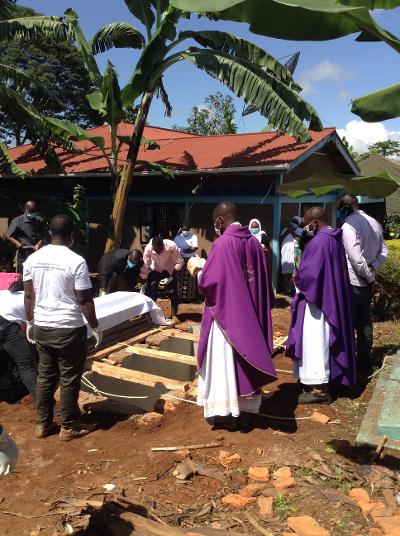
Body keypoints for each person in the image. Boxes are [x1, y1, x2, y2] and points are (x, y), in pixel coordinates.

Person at [197, 202, 276, 430]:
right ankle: (246, 408)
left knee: (224, 361)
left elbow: (210, 282)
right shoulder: (253, 242)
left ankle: (226, 413)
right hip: (249, 314)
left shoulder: (222, 244)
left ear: (220, 220)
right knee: (243, 360)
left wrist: (197, 270)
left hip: (227, 317)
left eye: (215, 222)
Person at [23, 214, 103, 441]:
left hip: (42, 326)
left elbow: (29, 295)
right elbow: (85, 300)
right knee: (68, 377)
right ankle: (68, 426)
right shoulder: (75, 261)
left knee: (46, 376)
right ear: (71, 236)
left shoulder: (33, 259)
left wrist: (30, 322)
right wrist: (95, 327)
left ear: (50, 233)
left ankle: (43, 424)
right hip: (68, 329)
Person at [286, 207, 357, 404]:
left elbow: (310, 275)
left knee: (315, 341)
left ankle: (318, 388)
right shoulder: (334, 239)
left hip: (317, 303)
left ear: (315, 222)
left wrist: (297, 277)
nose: (306, 228)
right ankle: (324, 381)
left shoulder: (319, 242)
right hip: (329, 299)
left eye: (307, 223)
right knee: (324, 340)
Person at [337, 194, 388, 376]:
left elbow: (356, 260)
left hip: (353, 282)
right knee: (365, 324)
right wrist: (373, 267)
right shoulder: (374, 222)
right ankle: (364, 362)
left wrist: (369, 276)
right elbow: (384, 251)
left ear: (345, 208)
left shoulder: (348, 226)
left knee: (348, 325)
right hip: (366, 283)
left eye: (339, 210)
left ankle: (350, 366)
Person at [0, 278, 37, 400]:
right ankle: (44, 404)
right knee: (26, 365)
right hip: (6, 326)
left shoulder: (3, 293)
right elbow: (30, 327)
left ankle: (15, 389)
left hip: (5, 322)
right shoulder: (30, 299)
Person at [141, 235, 184, 320]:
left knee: (173, 292)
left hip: (169, 270)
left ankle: (174, 315)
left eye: (159, 250)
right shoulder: (148, 249)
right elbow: (145, 266)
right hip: (155, 270)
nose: (157, 252)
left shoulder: (171, 246)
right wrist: (144, 281)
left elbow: (179, 263)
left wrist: (171, 278)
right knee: (150, 293)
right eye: (155, 250)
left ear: (163, 246)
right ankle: (148, 315)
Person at [6, 200, 47, 274]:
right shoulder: (17, 221)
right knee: (23, 274)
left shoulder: (39, 221)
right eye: (30, 211)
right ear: (25, 209)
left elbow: (43, 236)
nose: (32, 214)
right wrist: (16, 243)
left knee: (35, 273)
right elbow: (8, 235)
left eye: (34, 212)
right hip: (23, 252)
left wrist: (38, 244)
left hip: (36, 252)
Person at [174, 224, 199, 302]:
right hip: (180, 260)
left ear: (189, 229)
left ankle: (191, 297)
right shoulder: (177, 238)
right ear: (181, 230)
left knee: (191, 278)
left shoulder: (194, 237)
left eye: (187, 230)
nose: (185, 231)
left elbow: (194, 247)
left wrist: (184, 250)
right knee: (180, 279)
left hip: (191, 260)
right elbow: (175, 248)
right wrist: (185, 250)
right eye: (184, 230)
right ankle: (180, 297)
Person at [280, 216, 302, 294]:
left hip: (296, 253)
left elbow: (300, 240)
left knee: (295, 271)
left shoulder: (299, 230)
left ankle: (293, 290)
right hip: (288, 253)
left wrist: (291, 231)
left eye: (295, 222)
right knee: (288, 273)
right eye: (293, 221)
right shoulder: (286, 229)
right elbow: (281, 238)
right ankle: (288, 290)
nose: (294, 223)